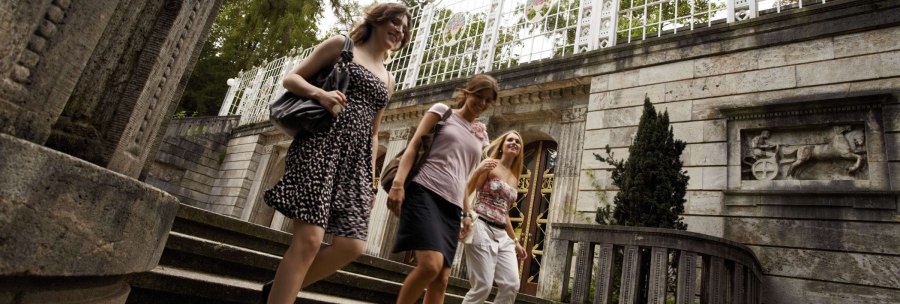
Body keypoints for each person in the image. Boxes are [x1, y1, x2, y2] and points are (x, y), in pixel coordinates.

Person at [260, 3, 411, 304]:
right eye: (395, 22)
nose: (400, 30)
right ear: (378, 20)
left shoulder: (388, 78)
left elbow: (374, 131)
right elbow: (291, 79)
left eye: (405, 28)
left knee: (352, 245)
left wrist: (369, 179)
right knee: (310, 240)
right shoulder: (342, 47)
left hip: (356, 163)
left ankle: (277, 290)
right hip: (320, 146)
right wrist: (321, 94)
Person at [388, 74, 499, 304]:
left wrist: (467, 212)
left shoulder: (481, 133)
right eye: (479, 96)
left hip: (453, 207)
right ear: (467, 92)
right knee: (430, 265)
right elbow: (413, 147)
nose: (483, 103)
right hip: (424, 192)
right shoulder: (442, 112)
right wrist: (398, 183)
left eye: (489, 100)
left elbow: (464, 175)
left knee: (441, 280)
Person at [460, 131, 527, 304]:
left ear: (520, 149)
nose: (514, 143)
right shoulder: (490, 165)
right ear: (502, 145)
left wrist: (516, 242)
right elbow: (467, 191)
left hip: (502, 234)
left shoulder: (514, 178)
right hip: (481, 225)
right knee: (483, 285)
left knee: (511, 284)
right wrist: (466, 214)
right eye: (510, 140)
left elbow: (504, 212)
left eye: (517, 142)